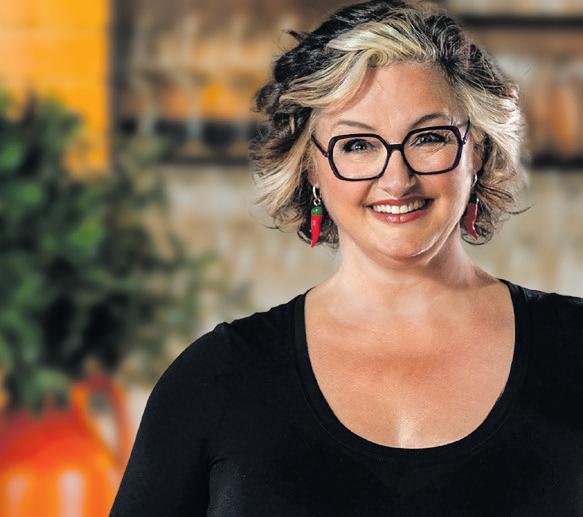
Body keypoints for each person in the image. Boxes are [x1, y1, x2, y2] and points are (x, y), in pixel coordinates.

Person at [110, 1, 583, 515]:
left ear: (479, 151)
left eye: (429, 137)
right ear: (310, 167)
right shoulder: (216, 377)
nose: (396, 179)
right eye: (357, 144)